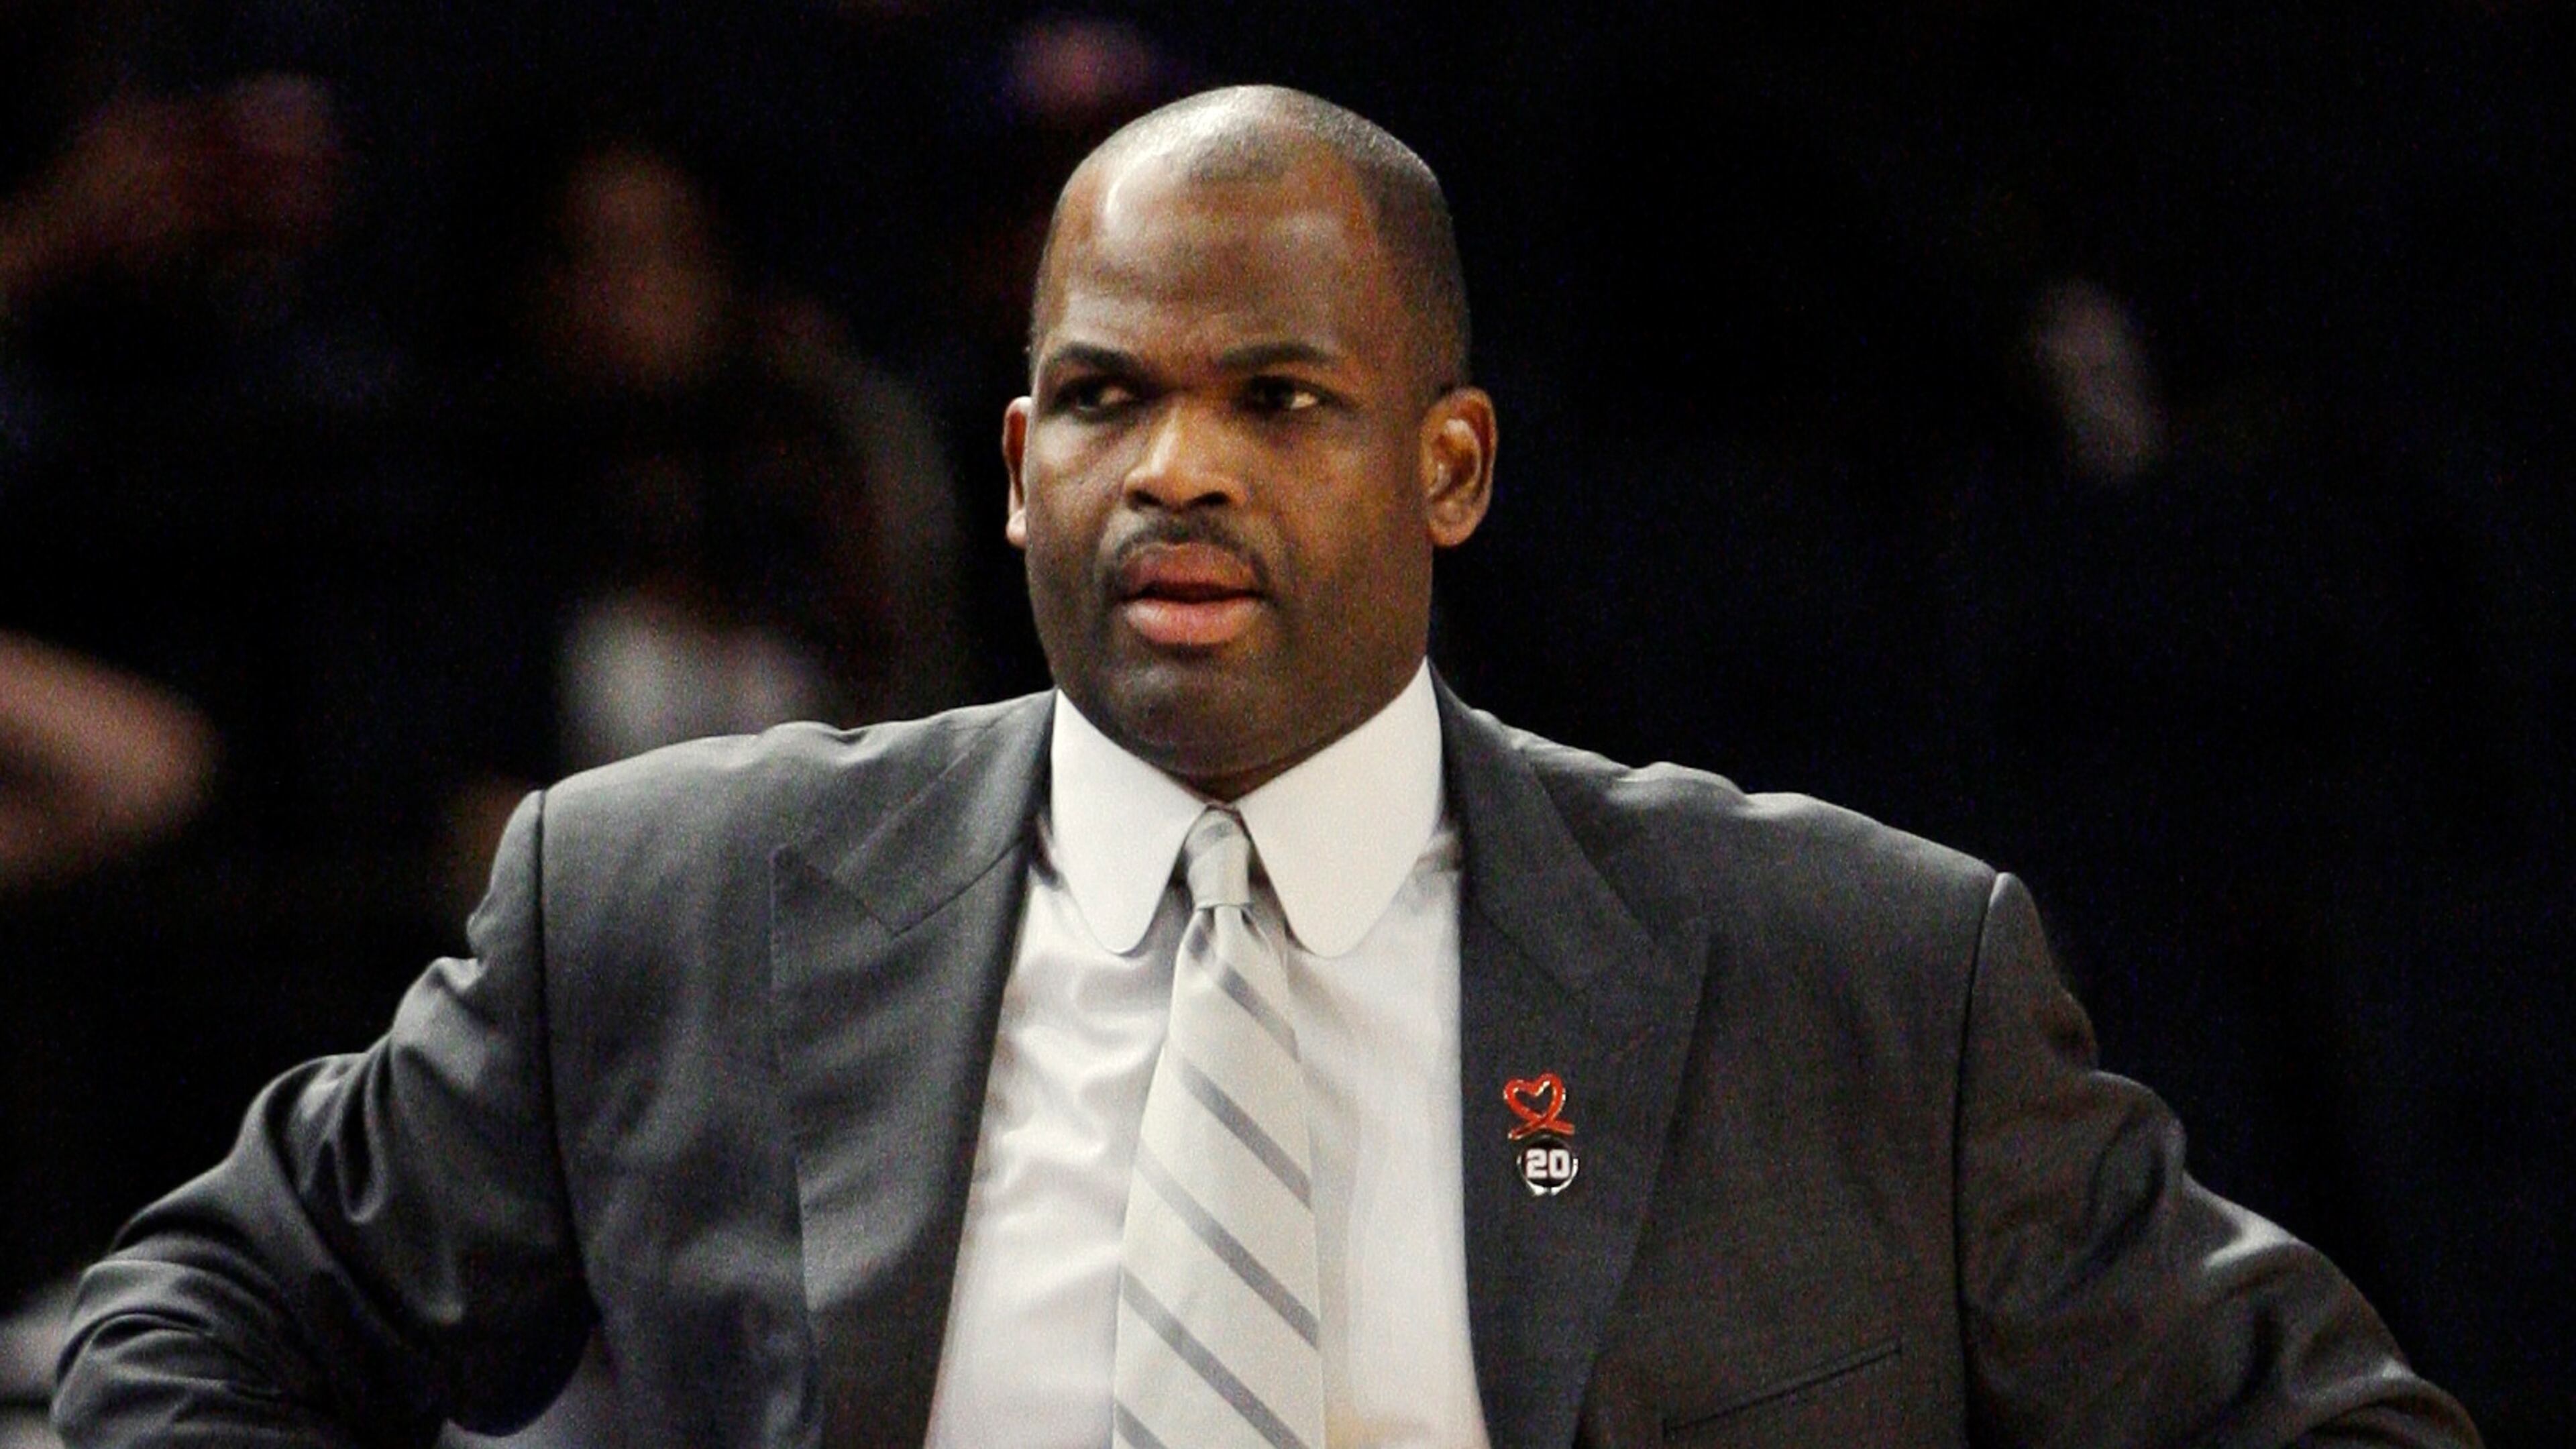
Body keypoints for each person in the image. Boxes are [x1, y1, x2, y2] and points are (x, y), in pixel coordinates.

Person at [52, 85, 2478, 1449]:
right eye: (1104, 398)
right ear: (1011, 466)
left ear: (1450, 467)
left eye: (1278, 398)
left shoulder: (1851, 965)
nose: (1174, 470)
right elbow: (200, 1318)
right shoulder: (679, 897)